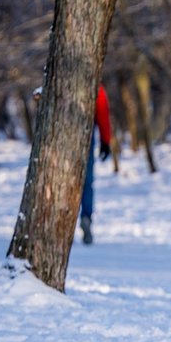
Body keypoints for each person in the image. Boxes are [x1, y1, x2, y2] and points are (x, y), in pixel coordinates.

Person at [79, 84, 113, 245]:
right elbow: (102, 110)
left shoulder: (59, 75)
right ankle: (86, 217)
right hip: (87, 131)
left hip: (62, 132)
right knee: (86, 181)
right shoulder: (93, 82)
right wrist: (105, 141)